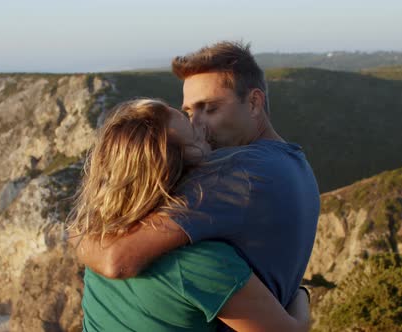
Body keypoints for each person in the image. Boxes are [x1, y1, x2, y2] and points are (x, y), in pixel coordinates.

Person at [76, 41, 320, 320]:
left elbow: (117, 258)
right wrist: (299, 297)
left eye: (210, 108)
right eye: (190, 112)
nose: (197, 125)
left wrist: (77, 233)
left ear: (253, 103)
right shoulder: (293, 162)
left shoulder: (239, 172)